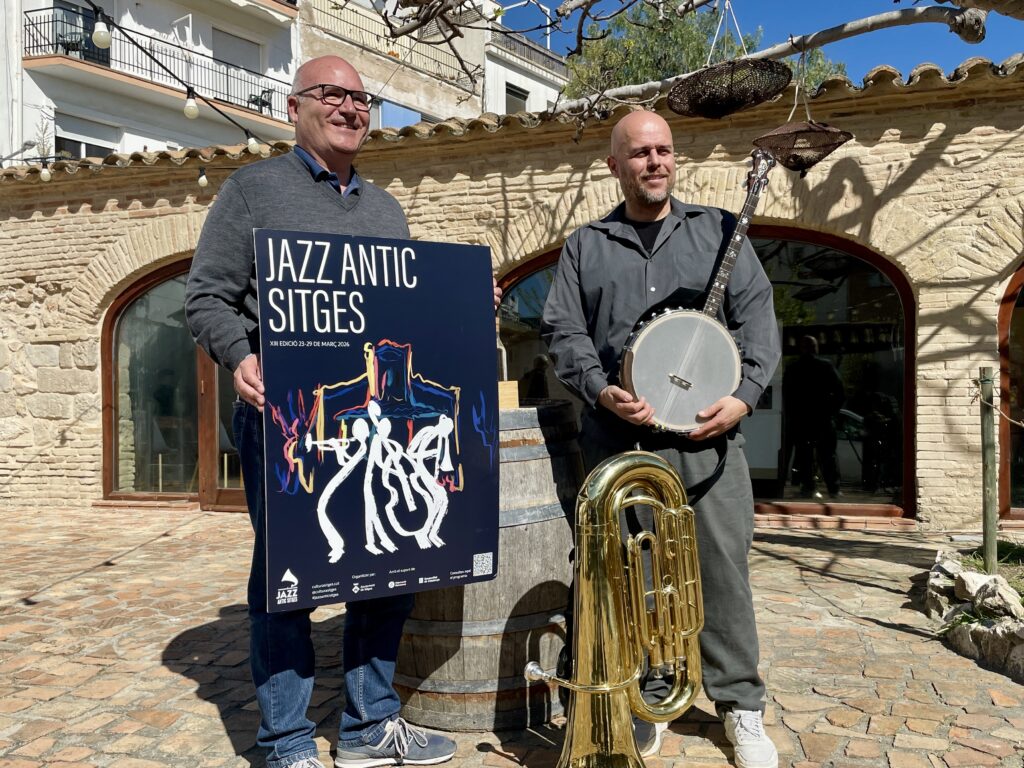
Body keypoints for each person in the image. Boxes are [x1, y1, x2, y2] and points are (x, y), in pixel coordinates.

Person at [185, 55, 501, 768]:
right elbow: (205, 297)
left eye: (361, 100)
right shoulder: (251, 191)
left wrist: (461, 302)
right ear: (294, 106)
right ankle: (287, 740)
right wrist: (240, 357)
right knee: (288, 580)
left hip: (385, 424)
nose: (350, 108)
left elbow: (404, 314)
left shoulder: (386, 209)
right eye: (331, 94)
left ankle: (369, 727)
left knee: (389, 567)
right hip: (288, 421)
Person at [540, 110, 781, 768]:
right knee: (631, 575)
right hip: (619, 440)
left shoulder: (720, 233)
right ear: (614, 165)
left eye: (664, 150)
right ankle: (649, 697)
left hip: (707, 440)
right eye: (640, 153)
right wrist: (599, 389)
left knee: (723, 574)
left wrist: (743, 396)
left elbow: (759, 322)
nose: (655, 162)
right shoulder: (586, 246)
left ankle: (740, 704)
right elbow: (563, 331)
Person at [782, 335, 844, 499]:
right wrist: (831, 411)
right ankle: (833, 488)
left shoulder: (793, 368)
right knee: (827, 455)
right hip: (822, 418)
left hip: (802, 420)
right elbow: (839, 392)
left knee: (805, 456)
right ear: (815, 348)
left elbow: (786, 396)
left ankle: (808, 486)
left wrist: (792, 416)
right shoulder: (825, 366)